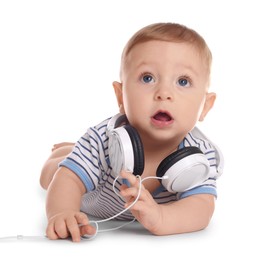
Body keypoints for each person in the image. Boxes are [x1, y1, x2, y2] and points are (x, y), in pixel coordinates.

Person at [40, 22, 223, 242]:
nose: (164, 93)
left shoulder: (199, 157)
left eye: (183, 81)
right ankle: (70, 153)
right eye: (148, 78)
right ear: (121, 96)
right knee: (52, 175)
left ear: (205, 106)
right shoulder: (102, 140)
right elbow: (68, 180)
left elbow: (202, 207)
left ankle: (75, 152)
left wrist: (161, 217)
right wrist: (62, 213)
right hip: (95, 200)